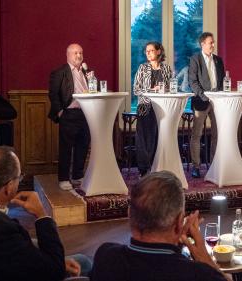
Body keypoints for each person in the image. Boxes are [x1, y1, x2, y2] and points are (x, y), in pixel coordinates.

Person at [90, 171, 227, 281]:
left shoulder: (106, 257)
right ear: (180, 221)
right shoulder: (199, 274)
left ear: (129, 214)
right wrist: (204, 258)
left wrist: (177, 245)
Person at [0, 146, 91, 280]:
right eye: (19, 177)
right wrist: (42, 215)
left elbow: (17, 256)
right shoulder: (2, 233)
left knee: (82, 261)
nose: (20, 180)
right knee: (85, 265)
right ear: (9, 187)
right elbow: (54, 271)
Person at [48, 43, 91, 190]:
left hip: (86, 114)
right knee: (66, 148)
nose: (79, 56)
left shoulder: (86, 71)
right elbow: (53, 94)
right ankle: (64, 178)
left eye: (80, 53)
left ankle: (77, 176)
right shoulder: (60, 72)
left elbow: (92, 89)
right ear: (68, 55)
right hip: (69, 114)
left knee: (83, 145)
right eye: (75, 53)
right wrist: (60, 112)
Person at [188, 32, 225, 178]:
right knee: (196, 135)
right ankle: (196, 166)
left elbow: (222, 80)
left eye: (213, 42)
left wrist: (219, 95)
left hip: (218, 102)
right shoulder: (195, 59)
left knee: (217, 135)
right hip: (200, 101)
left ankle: (214, 164)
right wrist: (205, 96)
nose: (213, 45)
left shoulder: (218, 60)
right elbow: (193, 82)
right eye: (211, 42)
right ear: (202, 44)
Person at [133, 41, 173, 177]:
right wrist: (151, 90)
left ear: (158, 51)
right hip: (145, 107)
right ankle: (143, 169)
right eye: (147, 51)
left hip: (162, 108)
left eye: (151, 50)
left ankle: (157, 167)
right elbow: (136, 89)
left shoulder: (167, 69)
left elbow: (172, 87)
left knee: (158, 137)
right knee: (143, 139)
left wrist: (164, 89)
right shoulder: (142, 68)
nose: (148, 53)